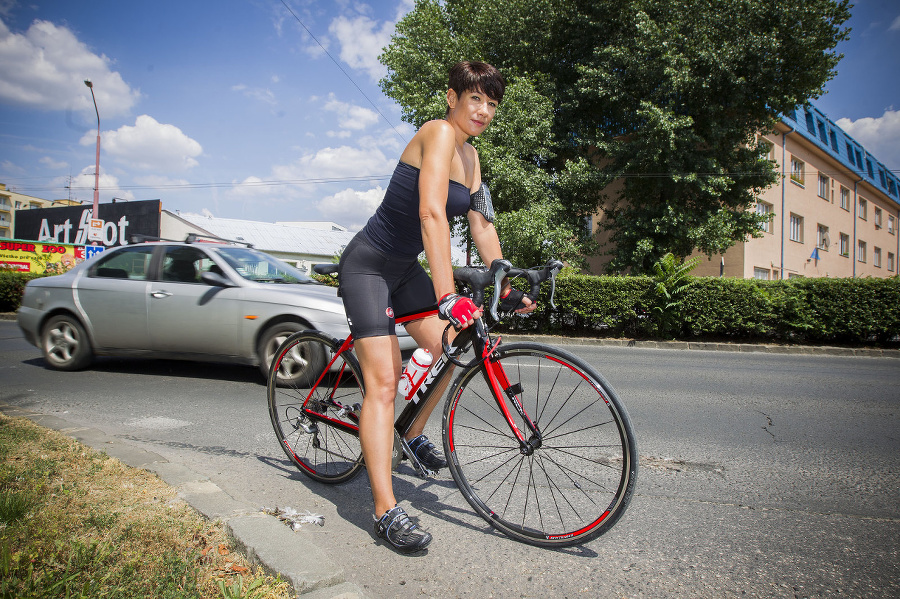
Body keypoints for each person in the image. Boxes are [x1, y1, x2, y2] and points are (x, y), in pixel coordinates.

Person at [337, 60, 534, 553]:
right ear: (452, 97)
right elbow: (430, 214)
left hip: (403, 270)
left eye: (492, 104)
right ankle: (384, 510)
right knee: (384, 383)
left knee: (451, 351)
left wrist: (505, 278)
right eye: (476, 99)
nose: (484, 111)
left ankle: (410, 434)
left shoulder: (471, 158)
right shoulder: (438, 133)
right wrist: (447, 295)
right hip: (369, 266)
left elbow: (482, 224)